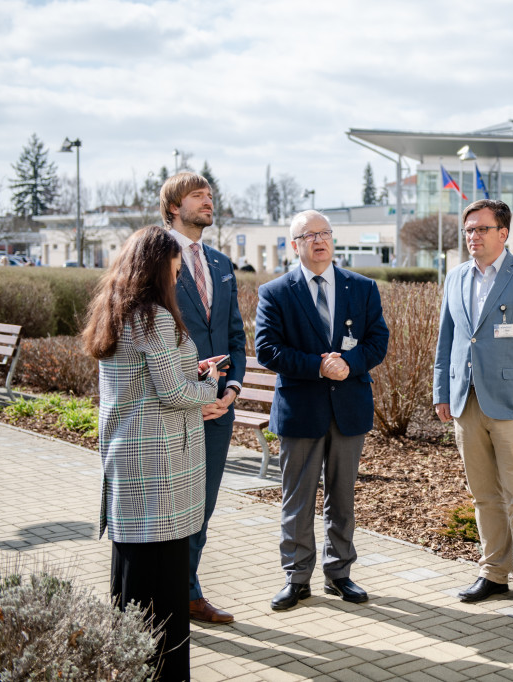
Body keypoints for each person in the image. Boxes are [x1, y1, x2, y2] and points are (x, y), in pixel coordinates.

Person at [83, 225, 223, 681]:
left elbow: (147, 378)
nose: (178, 276)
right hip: (162, 467)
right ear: (159, 268)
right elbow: (173, 392)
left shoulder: (115, 311)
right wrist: (209, 384)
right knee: (162, 588)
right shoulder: (156, 318)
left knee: (131, 581)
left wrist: (189, 369)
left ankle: (127, 669)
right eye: (176, 268)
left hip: (128, 459)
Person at [254, 210, 389, 611]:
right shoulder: (275, 292)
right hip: (301, 411)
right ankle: (296, 578)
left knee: (342, 496)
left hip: (349, 407)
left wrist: (350, 364)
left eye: (325, 233)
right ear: (294, 245)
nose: (319, 240)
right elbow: (267, 350)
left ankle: (340, 574)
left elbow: (378, 339)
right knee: (297, 499)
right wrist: (318, 364)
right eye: (309, 235)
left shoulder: (362, 288)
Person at [433, 199, 513, 620]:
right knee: (484, 495)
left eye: (482, 229)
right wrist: (441, 392)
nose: (473, 236)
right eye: (468, 229)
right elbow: (447, 342)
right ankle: (493, 574)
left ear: (503, 233)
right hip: (465, 403)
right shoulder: (455, 278)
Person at [160, 172, 248, 624]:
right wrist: (195, 396)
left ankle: (188, 591)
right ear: (175, 206)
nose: (208, 201)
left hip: (218, 410)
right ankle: (166, 594)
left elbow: (235, 335)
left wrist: (231, 391)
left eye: (211, 194)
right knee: (170, 504)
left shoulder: (219, 263)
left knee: (203, 505)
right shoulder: (155, 258)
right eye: (198, 195)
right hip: (173, 407)